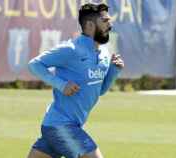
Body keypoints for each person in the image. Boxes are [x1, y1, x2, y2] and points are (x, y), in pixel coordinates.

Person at [27, 3, 124, 158]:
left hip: (64, 125)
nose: (110, 25)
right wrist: (61, 84)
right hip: (60, 125)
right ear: (90, 25)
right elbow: (35, 65)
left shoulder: (105, 54)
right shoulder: (71, 49)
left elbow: (99, 90)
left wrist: (113, 72)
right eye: (105, 21)